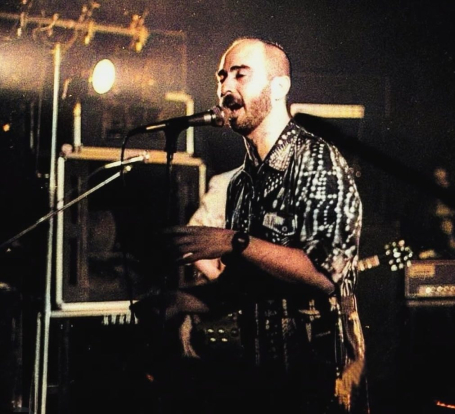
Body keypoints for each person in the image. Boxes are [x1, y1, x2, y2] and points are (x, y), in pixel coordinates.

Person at [133, 37, 365, 414]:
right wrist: (182, 301)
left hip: (318, 383)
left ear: (279, 87)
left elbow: (325, 274)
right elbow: (243, 289)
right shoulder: (241, 183)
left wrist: (234, 241)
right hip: (263, 381)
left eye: (241, 75)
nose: (226, 87)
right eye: (221, 77)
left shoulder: (316, 160)